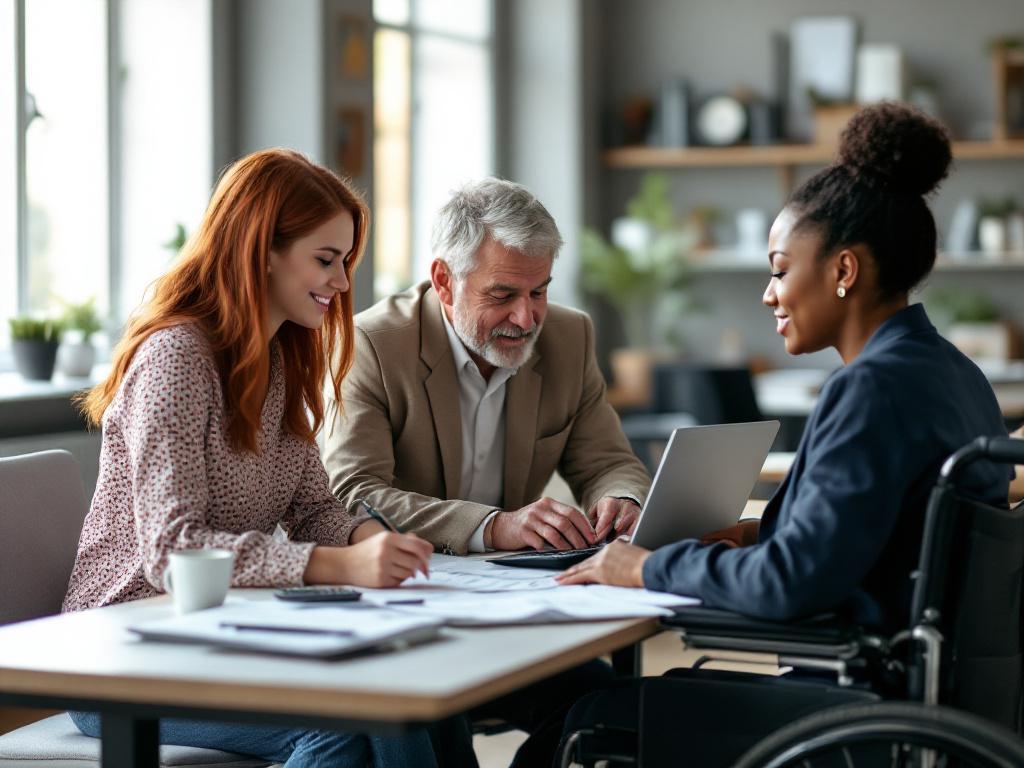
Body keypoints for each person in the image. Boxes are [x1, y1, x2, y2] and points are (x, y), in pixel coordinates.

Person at [554, 103, 1012, 766]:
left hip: (861, 708)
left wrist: (648, 565)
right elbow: (891, 540)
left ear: (844, 271)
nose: (769, 294)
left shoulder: (872, 388)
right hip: (934, 702)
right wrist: (753, 535)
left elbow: (793, 582)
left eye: (779, 269)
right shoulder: (953, 373)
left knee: (588, 717)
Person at [63, 149, 437, 768]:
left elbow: (313, 505)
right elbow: (173, 552)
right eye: (325, 260)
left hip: (219, 634)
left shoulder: (282, 359)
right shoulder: (175, 360)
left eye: (345, 261)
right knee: (352, 729)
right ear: (261, 249)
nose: (342, 282)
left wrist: (372, 540)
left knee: (416, 707)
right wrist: (337, 563)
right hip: (119, 657)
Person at [323, 177, 651, 766]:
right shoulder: (371, 343)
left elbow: (608, 462)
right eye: (503, 295)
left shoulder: (570, 336)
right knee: (427, 727)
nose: (526, 318)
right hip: (403, 614)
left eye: (540, 292)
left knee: (612, 707)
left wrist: (621, 499)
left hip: (510, 614)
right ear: (445, 281)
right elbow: (353, 494)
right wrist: (494, 527)